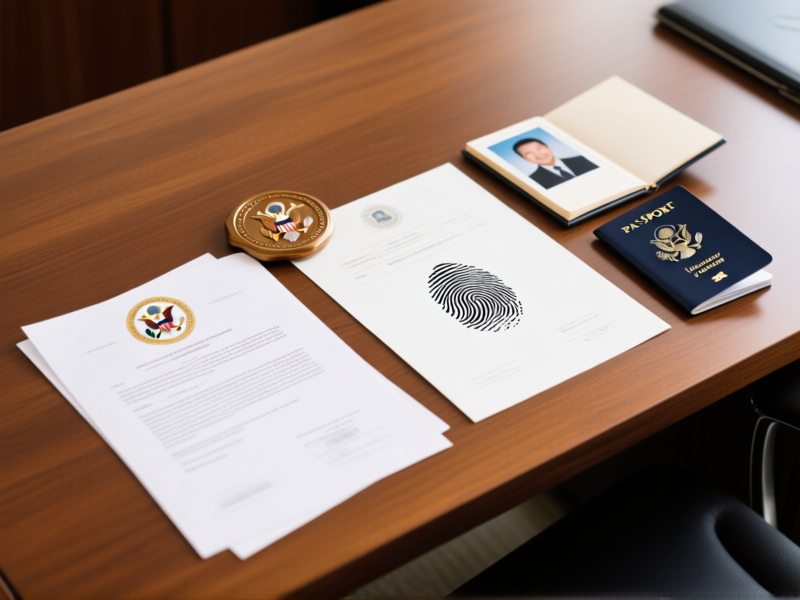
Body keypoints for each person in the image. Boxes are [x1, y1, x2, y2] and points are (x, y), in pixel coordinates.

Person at [512, 138, 598, 189]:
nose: (538, 154)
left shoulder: (583, 159)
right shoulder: (533, 181)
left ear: (549, 148)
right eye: (529, 153)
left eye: (539, 148)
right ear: (525, 159)